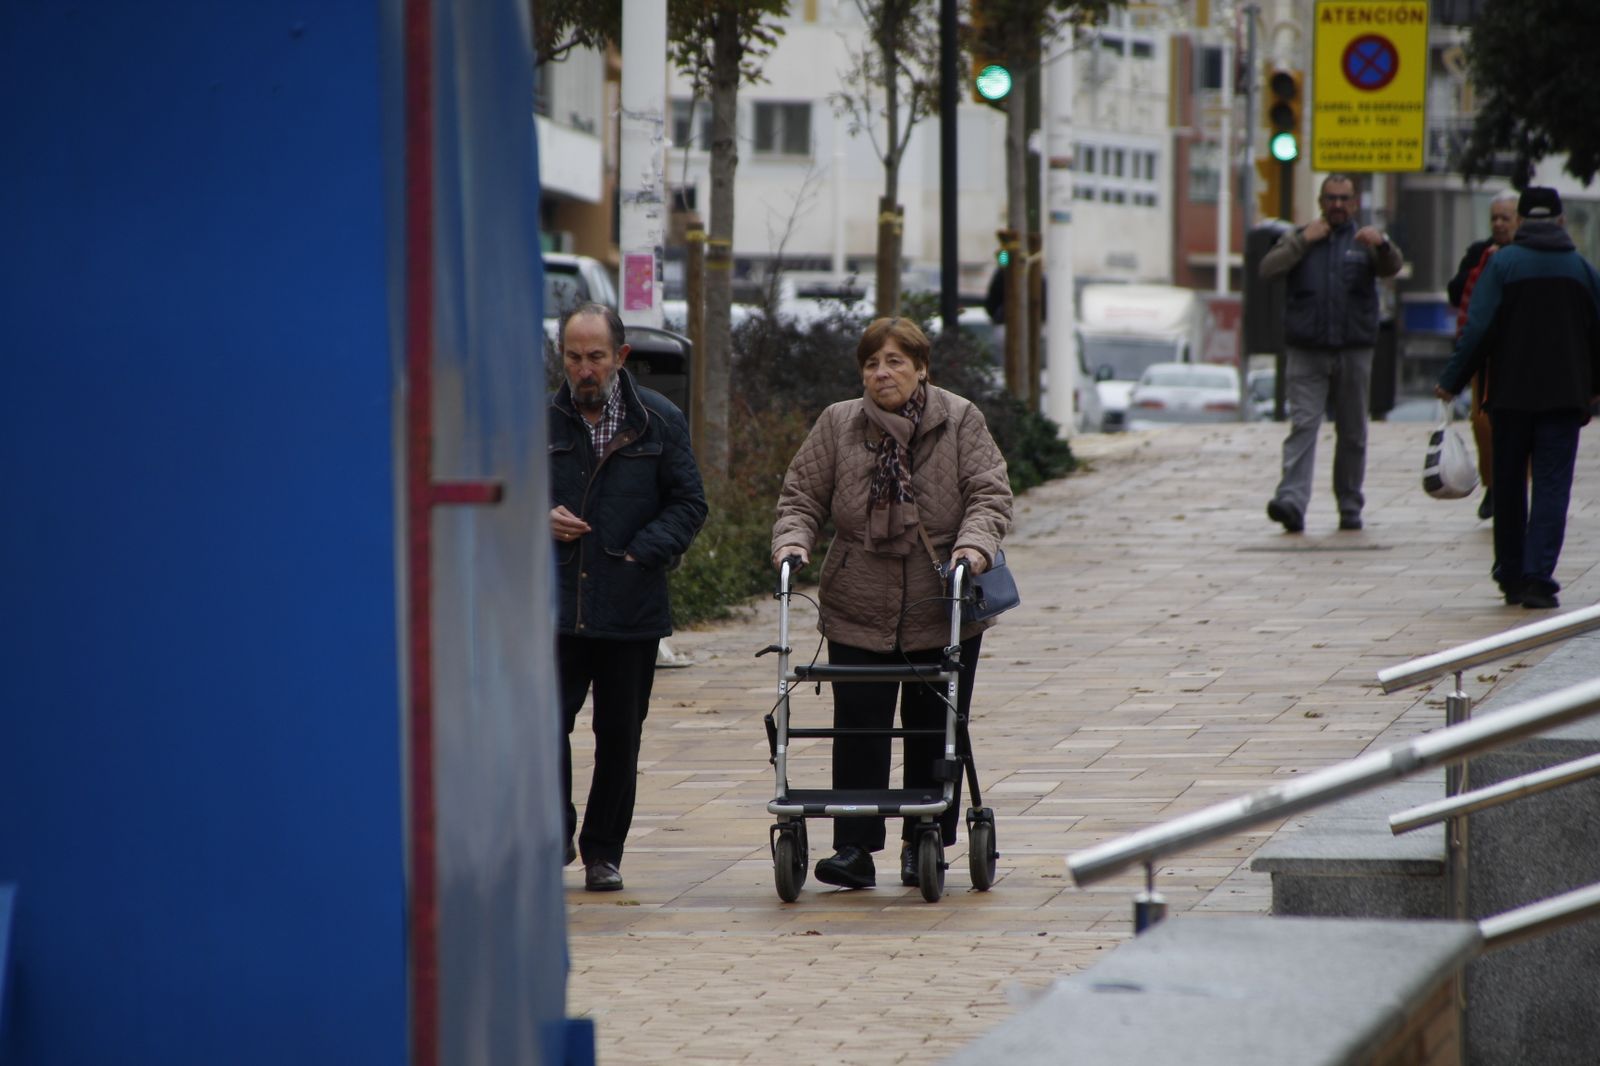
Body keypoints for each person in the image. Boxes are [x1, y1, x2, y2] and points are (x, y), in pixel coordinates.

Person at [770, 317, 1012, 889]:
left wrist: (973, 547)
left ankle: (923, 839)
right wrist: (792, 539)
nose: (883, 373)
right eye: (873, 363)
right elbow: (801, 495)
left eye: (896, 361)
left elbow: (990, 493)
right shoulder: (838, 424)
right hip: (858, 601)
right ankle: (854, 848)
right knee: (860, 726)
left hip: (941, 602)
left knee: (934, 725)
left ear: (922, 367)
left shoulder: (960, 420)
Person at [549, 302, 707, 891]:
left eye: (594, 357)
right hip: (557, 606)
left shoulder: (659, 420)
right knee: (543, 726)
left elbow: (690, 503)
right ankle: (552, 830)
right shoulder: (538, 422)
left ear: (620, 357)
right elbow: (505, 499)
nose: (583, 369)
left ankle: (603, 853)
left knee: (620, 736)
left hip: (631, 608)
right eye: (572, 357)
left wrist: (644, 551)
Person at [1435, 187, 1600, 610]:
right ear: (1562, 222)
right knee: (1551, 485)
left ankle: (1510, 572)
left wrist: (1454, 379)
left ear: (1522, 222)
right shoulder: (1581, 269)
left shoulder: (1503, 264)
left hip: (1510, 397)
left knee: (1508, 485)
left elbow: (1478, 327)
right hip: (1564, 399)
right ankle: (1538, 577)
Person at [1259, 174, 1404, 533]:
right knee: (1304, 425)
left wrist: (1382, 244)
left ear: (1354, 203)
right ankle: (1291, 501)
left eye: (1344, 199)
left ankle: (1350, 504)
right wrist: (1301, 242)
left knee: (1353, 431)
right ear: (1321, 202)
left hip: (1354, 350)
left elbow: (1392, 267)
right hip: (1306, 350)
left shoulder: (1365, 242)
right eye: (1331, 198)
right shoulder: (1301, 238)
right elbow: (1268, 269)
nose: (1337, 205)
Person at [1446, 189, 1521, 520]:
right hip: (1485, 357)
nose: (1499, 224)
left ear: (1519, 220)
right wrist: (1481, 265)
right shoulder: (1480, 252)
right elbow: (1456, 293)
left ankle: (1516, 488)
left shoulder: (1528, 253)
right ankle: (1493, 487)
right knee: (1483, 424)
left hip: (1520, 355)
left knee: (1520, 425)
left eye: (1506, 217)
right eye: (1494, 218)